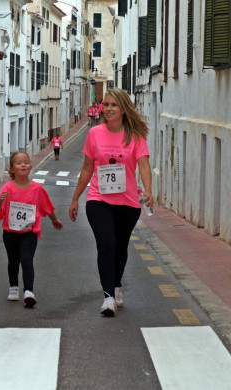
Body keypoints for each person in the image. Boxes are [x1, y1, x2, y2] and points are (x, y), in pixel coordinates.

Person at [68, 88, 153, 317]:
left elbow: (143, 165)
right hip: (99, 199)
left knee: (120, 247)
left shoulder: (135, 136)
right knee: (106, 244)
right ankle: (108, 297)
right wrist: (76, 198)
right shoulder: (95, 133)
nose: (108, 109)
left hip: (127, 202)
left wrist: (148, 189)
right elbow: (87, 168)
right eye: (106, 105)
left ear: (124, 109)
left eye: (114, 105)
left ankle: (116, 284)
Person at [0, 151, 63, 308]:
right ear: (11, 169)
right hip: (10, 232)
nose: (23, 164)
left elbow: (46, 206)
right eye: (19, 163)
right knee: (13, 260)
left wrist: (55, 219)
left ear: (31, 166)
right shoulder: (7, 188)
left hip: (29, 232)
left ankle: (29, 292)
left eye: (26, 162)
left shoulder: (37, 189)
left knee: (26, 259)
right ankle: (13, 287)